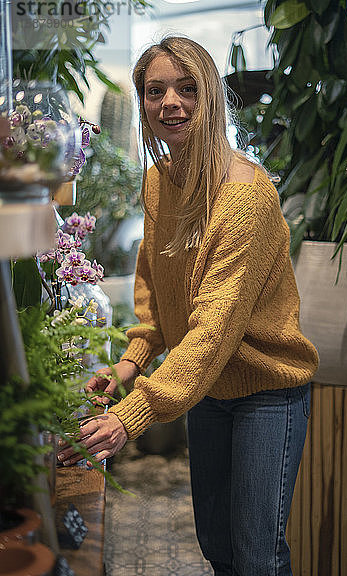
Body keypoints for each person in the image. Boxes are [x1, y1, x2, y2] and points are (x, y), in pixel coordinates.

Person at [58, 36, 319, 575]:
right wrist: (132, 360)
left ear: (212, 99)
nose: (170, 102)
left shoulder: (245, 198)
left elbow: (211, 331)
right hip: (205, 390)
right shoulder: (159, 181)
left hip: (264, 391)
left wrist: (131, 417)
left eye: (187, 88)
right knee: (217, 545)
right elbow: (158, 288)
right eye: (155, 91)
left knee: (256, 556)